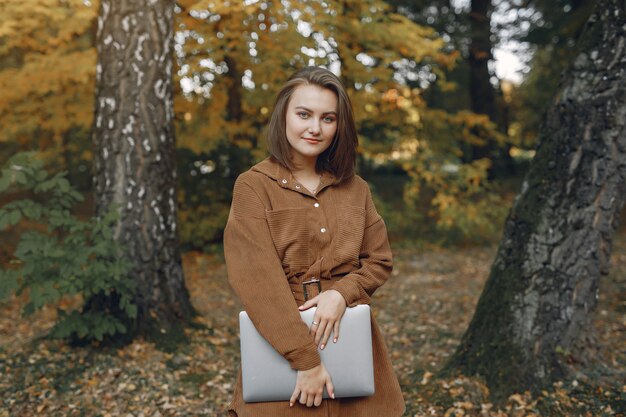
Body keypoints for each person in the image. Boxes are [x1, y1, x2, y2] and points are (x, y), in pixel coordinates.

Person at [223, 66, 405, 417]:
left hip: (349, 340)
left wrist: (342, 293)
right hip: (281, 346)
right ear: (284, 116)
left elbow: (378, 260)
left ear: (340, 125)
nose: (315, 128)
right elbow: (256, 281)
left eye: (328, 118)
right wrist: (305, 361)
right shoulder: (252, 187)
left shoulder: (356, 188)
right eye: (303, 114)